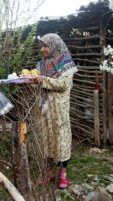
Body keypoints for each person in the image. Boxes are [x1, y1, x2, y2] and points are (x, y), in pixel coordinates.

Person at [32, 33, 77, 189]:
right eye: (42, 46)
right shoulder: (42, 64)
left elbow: (63, 84)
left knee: (61, 139)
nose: (43, 49)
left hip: (59, 109)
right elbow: (36, 82)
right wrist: (29, 80)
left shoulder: (66, 64)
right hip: (44, 109)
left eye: (46, 46)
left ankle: (63, 174)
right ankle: (49, 172)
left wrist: (43, 80)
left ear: (55, 45)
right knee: (46, 139)